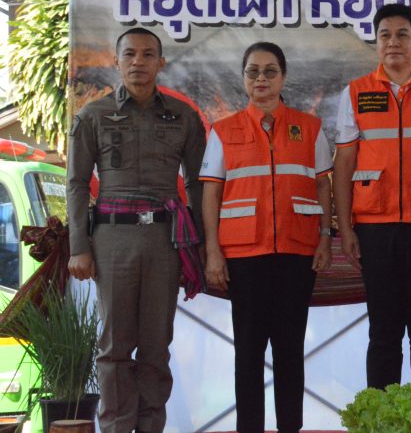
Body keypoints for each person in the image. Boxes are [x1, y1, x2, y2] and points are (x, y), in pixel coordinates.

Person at [66, 27, 207, 433]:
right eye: (129, 54)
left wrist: (199, 244)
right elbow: (76, 183)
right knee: (114, 346)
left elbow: (198, 184)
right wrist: (79, 247)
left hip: (165, 241)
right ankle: (115, 427)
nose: (138, 62)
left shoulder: (184, 116)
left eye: (147, 55)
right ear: (116, 61)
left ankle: (150, 427)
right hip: (112, 240)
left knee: (156, 346)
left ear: (161, 63)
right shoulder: (92, 115)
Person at [200, 42, 333, 433]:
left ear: (283, 77)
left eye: (270, 71)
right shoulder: (223, 130)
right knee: (248, 353)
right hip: (244, 257)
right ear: (244, 78)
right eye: (253, 71)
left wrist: (325, 238)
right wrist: (213, 253)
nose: (261, 78)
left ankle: (291, 427)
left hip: (297, 253)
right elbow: (211, 193)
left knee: (290, 351)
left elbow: (322, 185)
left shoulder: (310, 128)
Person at [334, 4, 411, 390]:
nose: (393, 42)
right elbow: (344, 163)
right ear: (376, 42)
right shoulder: (356, 92)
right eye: (384, 35)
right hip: (375, 228)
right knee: (383, 333)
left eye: (403, 34)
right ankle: (381, 415)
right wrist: (345, 228)